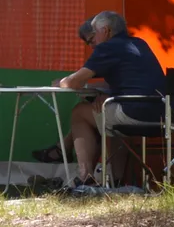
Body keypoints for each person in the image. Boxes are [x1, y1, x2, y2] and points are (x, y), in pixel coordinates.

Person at [53, 10, 165, 187]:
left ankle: (85, 177)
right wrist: (109, 95)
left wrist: (60, 82)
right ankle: (116, 181)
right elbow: (135, 80)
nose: (94, 43)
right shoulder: (139, 43)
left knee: (79, 112)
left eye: (94, 35)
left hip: (135, 113)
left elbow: (74, 82)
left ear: (105, 31)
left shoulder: (108, 47)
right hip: (163, 115)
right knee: (109, 121)